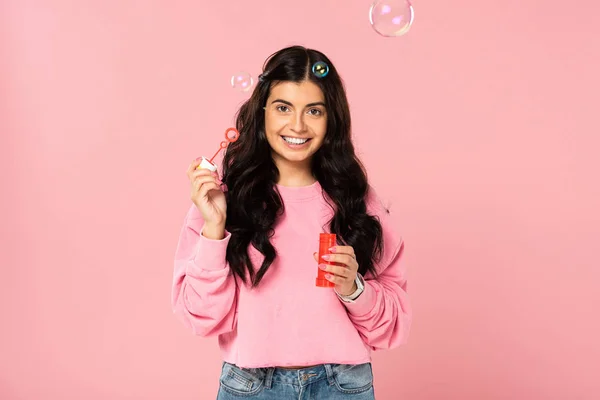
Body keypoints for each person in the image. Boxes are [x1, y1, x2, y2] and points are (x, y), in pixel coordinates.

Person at [171, 45, 412, 399]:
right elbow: (200, 317)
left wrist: (354, 289)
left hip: (343, 387)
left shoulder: (357, 201)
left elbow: (392, 328)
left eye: (313, 111)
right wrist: (214, 229)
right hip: (250, 387)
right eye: (283, 107)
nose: (297, 125)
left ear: (332, 119)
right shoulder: (224, 199)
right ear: (262, 111)